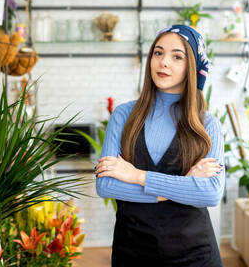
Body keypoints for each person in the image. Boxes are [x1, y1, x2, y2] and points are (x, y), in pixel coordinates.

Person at [95, 24, 225, 267]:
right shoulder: (123, 116)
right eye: (158, 52)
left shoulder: (207, 125)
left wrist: (136, 176)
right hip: (132, 252)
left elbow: (210, 193)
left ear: (192, 68)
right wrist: (183, 186)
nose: (164, 62)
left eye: (177, 56)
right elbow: (106, 185)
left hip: (195, 256)